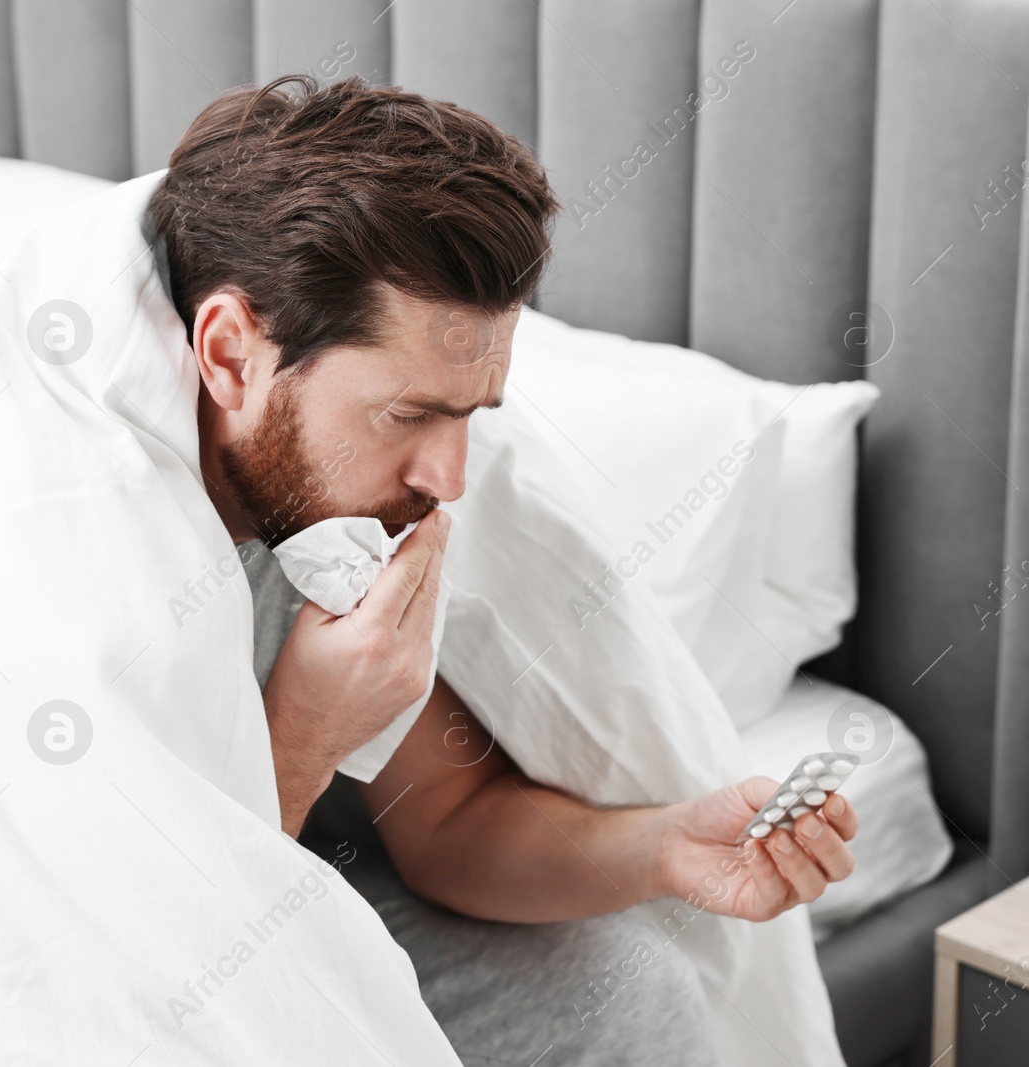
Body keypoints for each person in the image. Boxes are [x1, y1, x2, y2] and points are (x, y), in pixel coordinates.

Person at [148, 75, 859, 1066]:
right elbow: (122, 948)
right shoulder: (69, 536)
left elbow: (447, 817)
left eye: (472, 412)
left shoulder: (337, 516)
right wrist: (306, 732)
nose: (448, 480)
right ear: (230, 354)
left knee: (630, 988)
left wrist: (665, 846)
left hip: (290, 875)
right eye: (407, 413)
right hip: (149, 942)